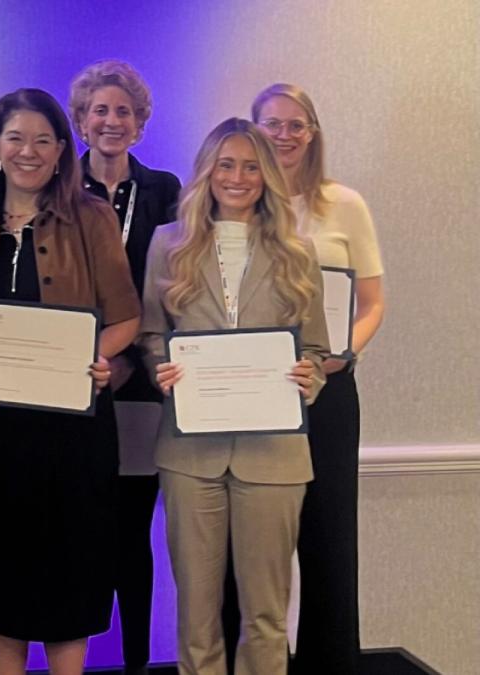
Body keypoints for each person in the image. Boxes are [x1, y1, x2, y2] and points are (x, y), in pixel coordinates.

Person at [0, 88, 141, 675]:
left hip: (72, 434)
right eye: (16, 139)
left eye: (43, 140)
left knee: (70, 575)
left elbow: (127, 318)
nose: (28, 151)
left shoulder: (93, 217)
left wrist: (93, 356)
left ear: (60, 151)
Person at [138, 117, 330, 675]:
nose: (238, 178)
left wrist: (309, 377)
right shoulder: (168, 243)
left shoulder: (298, 250)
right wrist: (159, 369)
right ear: (207, 171)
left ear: (266, 175)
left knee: (266, 617)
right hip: (190, 453)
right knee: (197, 617)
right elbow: (152, 334)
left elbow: (316, 348)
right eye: (226, 165)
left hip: (274, 455)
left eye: (250, 167)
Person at [216, 84, 384, 675]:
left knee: (328, 542)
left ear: (313, 133)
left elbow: (372, 304)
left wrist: (341, 355)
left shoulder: (345, 205)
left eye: (296, 125)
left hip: (326, 393)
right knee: (243, 548)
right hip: (250, 396)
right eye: (272, 124)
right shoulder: (232, 202)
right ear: (252, 130)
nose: (284, 135)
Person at [68, 59, 180, 675]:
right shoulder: (57, 185)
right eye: (99, 110)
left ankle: (136, 661)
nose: (111, 121)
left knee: (132, 534)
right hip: (71, 382)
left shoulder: (165, 190)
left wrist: (132, 363)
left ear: (140, 123)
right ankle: (76, 659)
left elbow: (173, 288)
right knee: (80, 530)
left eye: (124, 112)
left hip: (139, 387)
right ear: (80, 120)